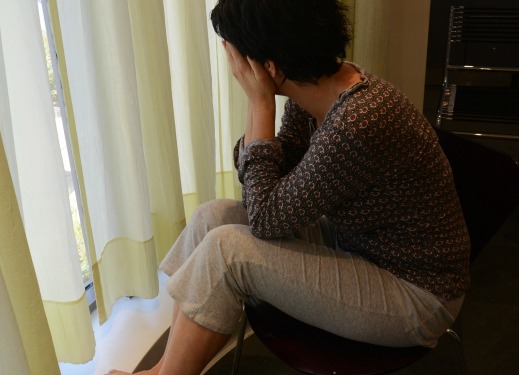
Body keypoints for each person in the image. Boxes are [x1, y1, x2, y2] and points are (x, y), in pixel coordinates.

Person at [108, 0, 470, 374]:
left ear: (269, 66)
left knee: (226, 250)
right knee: (211, 218)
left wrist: (260, 103)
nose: (236, 70)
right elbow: (263, 175)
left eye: (239, 59)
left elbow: (264, 216)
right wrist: (259, 104)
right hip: (357, 242)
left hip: (415, 294)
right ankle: (165, 368)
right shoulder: (320, 89)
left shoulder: (356, 122)